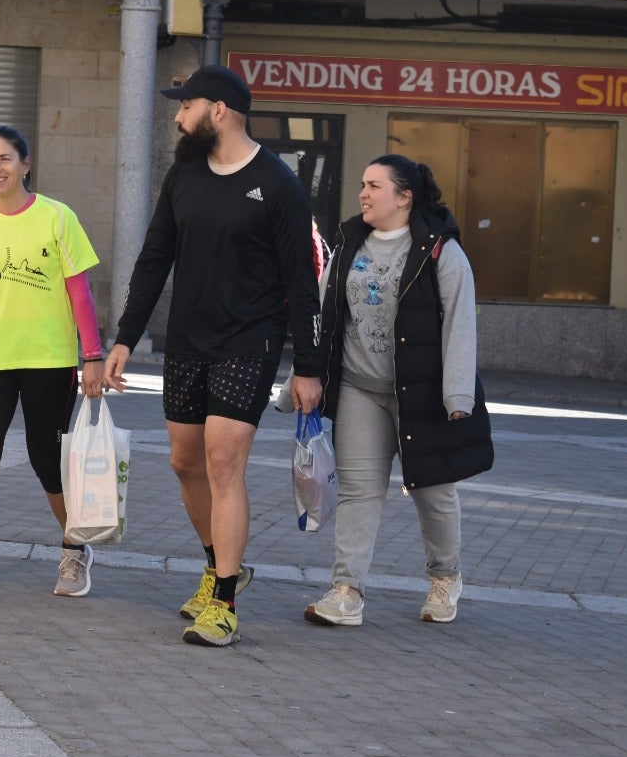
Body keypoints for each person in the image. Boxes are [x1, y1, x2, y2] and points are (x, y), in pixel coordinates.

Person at [104, 64, 321, 647]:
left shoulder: (278, 184)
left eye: (186, 106)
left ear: (218, 110)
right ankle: (218, 565)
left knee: (224, 461)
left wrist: (308, 366)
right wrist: (125, 336)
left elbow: (302, 279)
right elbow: (154, 259)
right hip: (187, 340)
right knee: (185, 462)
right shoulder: (185, 175)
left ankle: (224, 603)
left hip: (250, 340)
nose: (178, 117)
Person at [302, 154, 493, 628]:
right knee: (358, 493)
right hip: (359, 390)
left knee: (433, 491)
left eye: (374, 186)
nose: (363, 193)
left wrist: (458, 398)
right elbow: (324, 319)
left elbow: (460, 324)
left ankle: (445, 578)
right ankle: (347, 591)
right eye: (363, 184)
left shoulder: (441, 251)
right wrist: (300, 382)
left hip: (423, 395)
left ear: (405, 197)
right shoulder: (349, 243)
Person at [0, 125, 106, 602]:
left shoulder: (57, 217)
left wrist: (92, 357)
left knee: (47, 460)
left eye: (5, 159)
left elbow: (80, 292)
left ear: (26, 164)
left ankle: (74, 547)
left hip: (49, 362)